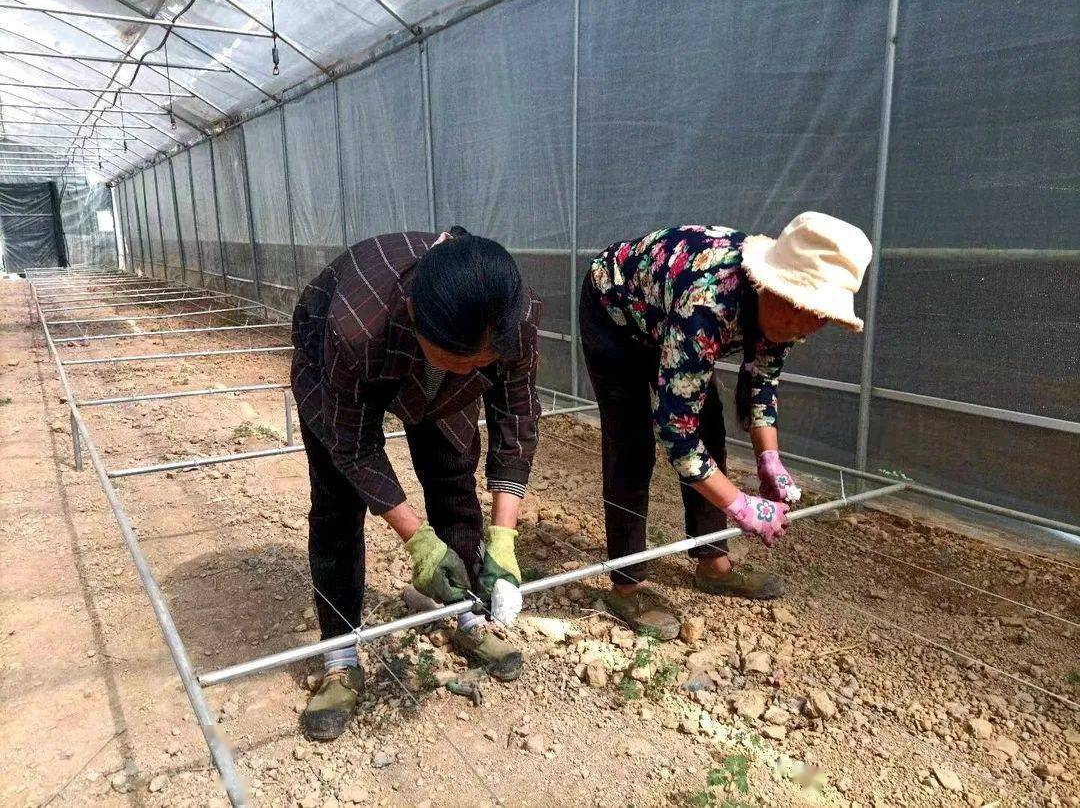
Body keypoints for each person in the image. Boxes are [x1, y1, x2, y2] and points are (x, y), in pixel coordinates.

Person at [291, 228, 539, 740]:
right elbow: (355, 447)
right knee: (337, 503)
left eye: (481, 365)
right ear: (413, 316)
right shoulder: (356, 326)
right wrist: (418, 543)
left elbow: (516, 419)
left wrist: (504, 536)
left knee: (453, 478)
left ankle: (469, 615)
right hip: (335, 367)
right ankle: (339, 653)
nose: (469, 372)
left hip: (434, 355)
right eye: (457, 360)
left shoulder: (512, 318)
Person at [579, 212, 871, 639]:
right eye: (806, 310)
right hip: (616, 312)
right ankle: (628, 584)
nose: (811, 326)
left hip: (669, 316)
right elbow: (677, 435)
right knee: (632, 444)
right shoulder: (709, 305)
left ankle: (712, 563)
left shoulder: (786, 314)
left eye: (822, 316)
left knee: (710, 430)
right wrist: (740, 505)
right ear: (772, 287)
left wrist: (769, 459)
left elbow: (762, 383)